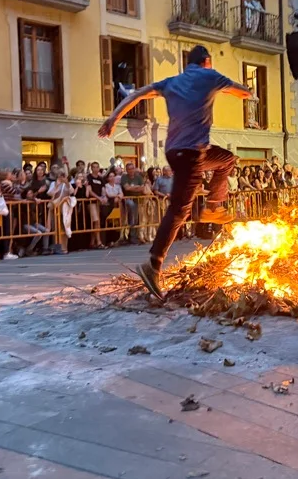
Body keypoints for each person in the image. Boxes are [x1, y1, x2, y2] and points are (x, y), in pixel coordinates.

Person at [98, 44, 254, 298]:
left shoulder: (172, 82)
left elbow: (137, 95)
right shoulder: (210, 76)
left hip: (177, 151)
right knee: (180, 209)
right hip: (191, 153)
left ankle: (213, 207)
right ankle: (153, 264)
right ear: (207, 61)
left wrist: (113, 119)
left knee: (226, 160)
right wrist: (241, 90)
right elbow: (244, 92)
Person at [120, 161, 146, 244]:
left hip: (137, 200)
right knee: (132, 215)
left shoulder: (138, 177)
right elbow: (126, 188)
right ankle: (131, 236)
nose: (131, 170)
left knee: (136, 218)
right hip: (128, 199)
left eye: (132, 169)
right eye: (129, 169)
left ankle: (134, 235)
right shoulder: (124, 177)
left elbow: (143, 188)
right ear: (126, 170)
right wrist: (137, 187)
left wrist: (133, 187)